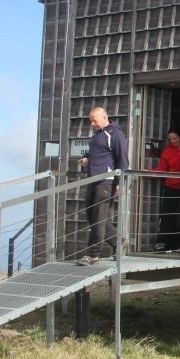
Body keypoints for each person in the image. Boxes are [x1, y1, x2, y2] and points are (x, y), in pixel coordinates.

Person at [79, 107, 128, 264]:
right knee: (92, 216)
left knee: (99, 218)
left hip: (106, 181)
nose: (92, 123)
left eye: (94, 120)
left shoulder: (115, 134)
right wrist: (86, 158)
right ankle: (118, 242)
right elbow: (96, 153)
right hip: (92, 180)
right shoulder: (97, 135)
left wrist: (119, 183)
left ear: (105, 117)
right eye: (90, 120)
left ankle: (93, 254)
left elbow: (123, 159)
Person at [154, 128, 180, 251]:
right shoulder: (167, 152)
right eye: (170, 139)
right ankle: (162, 242)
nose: (173, 141)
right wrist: (147, 172)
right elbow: (162, 170)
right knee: (167, 215)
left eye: (175, 138)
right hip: (171, 186)